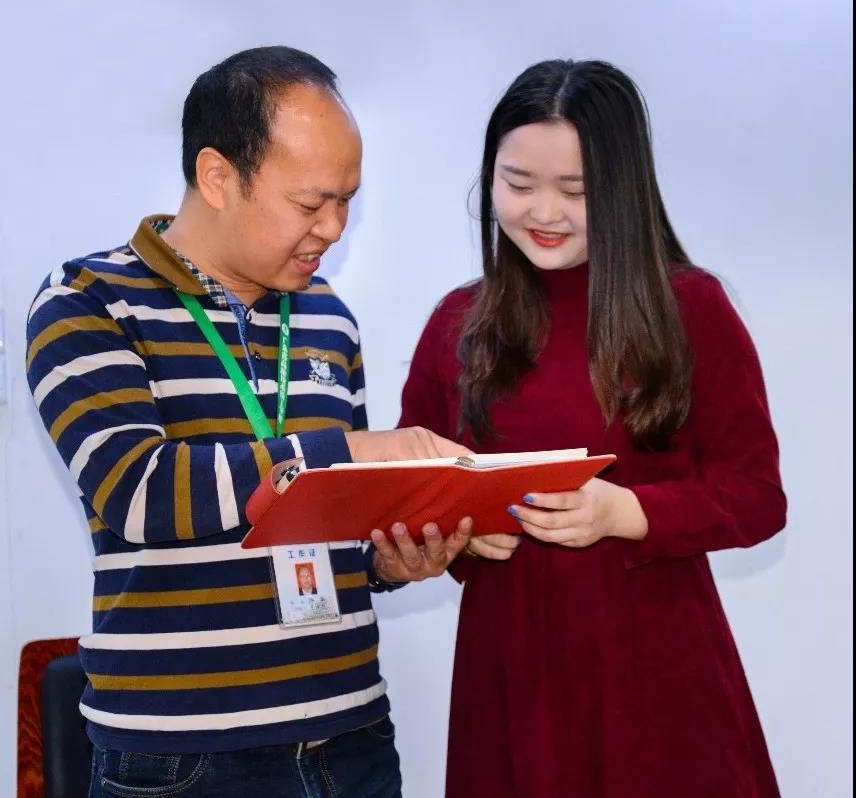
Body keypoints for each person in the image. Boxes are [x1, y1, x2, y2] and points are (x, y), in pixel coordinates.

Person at [26, 45, 473, 798]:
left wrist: (390, 560)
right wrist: (346, 452)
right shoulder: (88, 299)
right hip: (181, 759)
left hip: (351, 739)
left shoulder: (329, 317)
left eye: (348, 201)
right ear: (217, 177)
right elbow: (136, 491)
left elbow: (335, 518)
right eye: (311, 203)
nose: (334, 227)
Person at [399, 59, 786, 797]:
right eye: (518, 184)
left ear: (623, 188)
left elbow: (758, 496)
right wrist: (453, 533)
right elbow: (411, 486)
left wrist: (627, 511)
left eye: (576, 192)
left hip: (654, 670)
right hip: (508, 669)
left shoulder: (690, 308)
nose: (544, 212)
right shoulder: (457, 322)